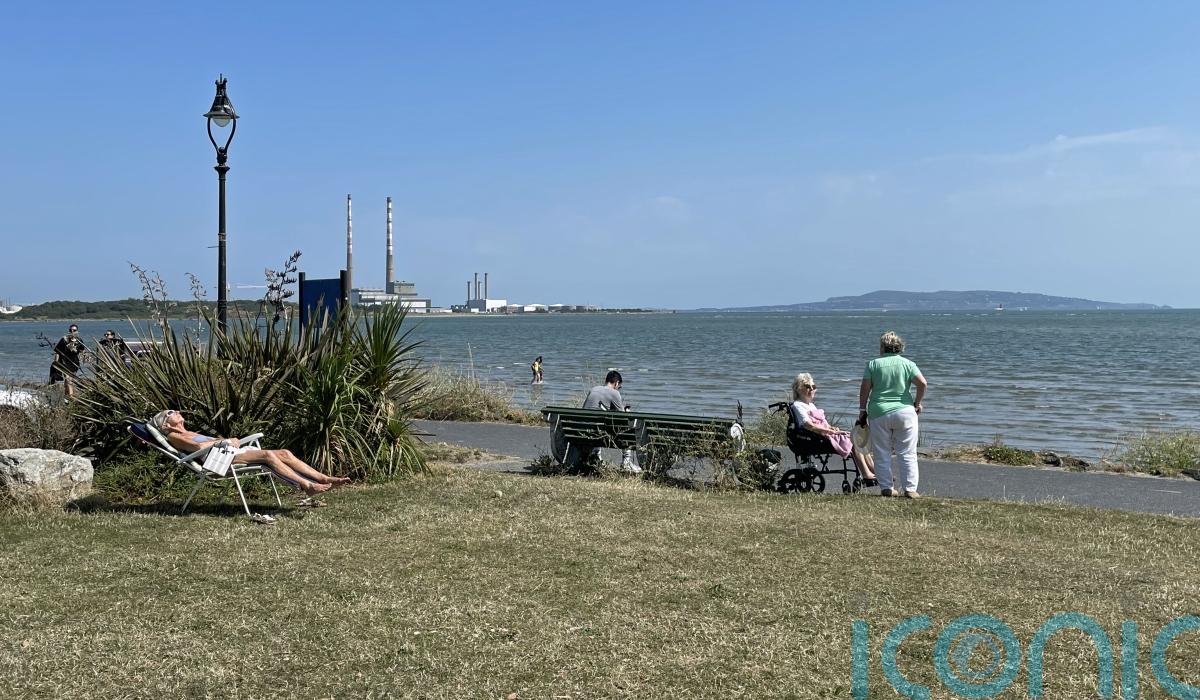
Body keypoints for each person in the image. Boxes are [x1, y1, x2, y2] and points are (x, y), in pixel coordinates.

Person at [149, 409, 350, 496]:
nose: (177, 412)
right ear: (165, 424)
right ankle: (306, 485)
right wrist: (225, 441)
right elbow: (200, 449)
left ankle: (323, 478)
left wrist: (226, 442)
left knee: (285, 452)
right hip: (218, 461)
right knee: (267, 456)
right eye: (170, 413)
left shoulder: (189, 432)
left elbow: (207, 443)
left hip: (228, 454)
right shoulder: (174, 437)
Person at [858, 331, 928, 498]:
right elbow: (922, 384)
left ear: (882, 347)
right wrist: (917, 403)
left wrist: (862, 410)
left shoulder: (873, 364)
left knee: (882, 452)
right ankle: (910, 489)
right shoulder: (908, 364)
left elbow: (865, 389)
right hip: (905, 412)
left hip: (879, 412)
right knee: (907, 452)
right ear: (899, 347)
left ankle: (887, 487)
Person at [790, 373, 876, 485]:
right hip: (815, 437)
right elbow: (808, 425)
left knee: (858, 440)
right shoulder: (797, 405)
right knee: (854, 441)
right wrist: (829, 431)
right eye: (808, 386)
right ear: (799, 389)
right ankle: (866, 474)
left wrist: (831, 428)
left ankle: (875, 471)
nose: (811, 389)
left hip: (823, 434)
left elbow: (822, 423)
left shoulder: (811, 405)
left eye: (813, 386)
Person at [582, 370, 639, 472]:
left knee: (597, 423)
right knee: (628, 428)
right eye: (619, 386)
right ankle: (626, 462)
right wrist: (627, 412)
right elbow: (622, 417)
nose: (618, 388)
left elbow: (584, 409)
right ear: (616, 383)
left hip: (583, 432)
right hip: (600, 434)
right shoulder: (615, 393)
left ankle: (596, 456)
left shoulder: (593, 389)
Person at [50, 324, 85, 399]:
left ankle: (66, 397)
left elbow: (82, 351)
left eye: (74, 330)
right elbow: (57, 351)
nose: (72, 332)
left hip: (74, 363)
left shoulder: (79, 341)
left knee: (68, 381)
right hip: (64, 362)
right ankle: (72, 397)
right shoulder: (64, 339)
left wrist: (84, 358)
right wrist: (56, 363)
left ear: (77, 331)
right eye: (70, 330)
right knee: (68, 379)